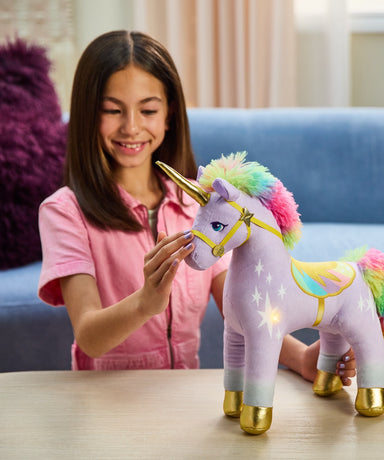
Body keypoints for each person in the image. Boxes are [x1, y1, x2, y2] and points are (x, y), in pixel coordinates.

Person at [38, 30, 356, 383]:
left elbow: (240, 305)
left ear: (169, 114)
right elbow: (89, 336)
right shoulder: (64, 211)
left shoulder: (200, 205)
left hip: (182, 393)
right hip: (103, 395)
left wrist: (303, 359)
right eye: (112, 110)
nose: (131, 126)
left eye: (148, 110)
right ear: (87, 114)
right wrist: (145, 302)